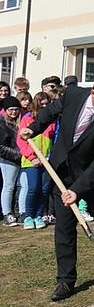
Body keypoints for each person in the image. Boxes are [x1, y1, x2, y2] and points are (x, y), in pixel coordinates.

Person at [19, 74, 94, 301]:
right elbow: (50, 112)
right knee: (64, 230)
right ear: (93, 92)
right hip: (63, 173)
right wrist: (34, 128)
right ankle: (65, 281)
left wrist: (77, 190)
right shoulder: (73, 94)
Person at [17, 92, 56, 229]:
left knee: (44, 189)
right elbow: (21, 141)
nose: (44, 106)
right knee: (33, 188)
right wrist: (32, 157)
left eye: (47, 104)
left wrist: (50, 157)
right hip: (31, 161)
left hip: (46, 160)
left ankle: (39, 215)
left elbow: (53, 140)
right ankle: (29, 216)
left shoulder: (52, 121)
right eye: (42, 103)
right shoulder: (27, 118)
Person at [0, 96, 22, 226]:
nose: (14, 112)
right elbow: (1, 147)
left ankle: (17, 212)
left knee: (19, 185)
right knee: (8, 186)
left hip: (20, 158)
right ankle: (6, 213)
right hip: (8, 159)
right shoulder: (2, 124)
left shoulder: (20, 122)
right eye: (11, 110)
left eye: (16, 109)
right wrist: (17, 155)